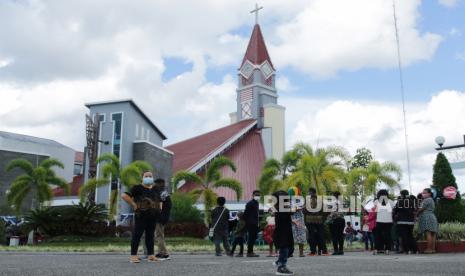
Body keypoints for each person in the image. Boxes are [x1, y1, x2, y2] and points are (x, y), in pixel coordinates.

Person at [121, 171, 162, 263]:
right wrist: (133, 204)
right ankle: (133, 256)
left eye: (150, 176)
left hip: (153, 216)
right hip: (141, 216)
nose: (148, 177)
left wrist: (160, 211)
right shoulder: (137, 188)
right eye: (146, 176)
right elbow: (124, 195)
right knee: (137, 235)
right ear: (142, 178)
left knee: (150, 236)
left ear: (153, 177)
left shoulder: (155, 189)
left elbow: (159, 200)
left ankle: (151, 255)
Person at [273, 190, 294, 275]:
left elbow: (288, 214)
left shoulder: (281, 208)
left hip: (285, 231)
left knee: (289, 249)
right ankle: (281, 267)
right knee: (285, 248)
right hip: (282, 233)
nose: (289, 200)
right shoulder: (281, 208)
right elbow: (289, 213)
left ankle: (279, 261)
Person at [304, 188, 329, 256]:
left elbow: (304, 211)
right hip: (319, 220)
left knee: (312, 236)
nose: (308, 194)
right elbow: (327, 211)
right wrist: (323, 219)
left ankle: (313, 252)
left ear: (311, 193)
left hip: (310, 220)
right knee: (321, 236)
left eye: (309, 192)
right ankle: (324, 251)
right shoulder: (320, 200)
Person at [393, 190, 416, 254]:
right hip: (411, 221)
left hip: (401, 221)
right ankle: (414, 249)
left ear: (402, 195)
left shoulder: (399, 201)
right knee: (410, 235)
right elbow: (414, 210)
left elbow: (395, 211)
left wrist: (394, 217)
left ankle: (407, 250)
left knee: (404, 236)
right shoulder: (412, 201)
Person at [417, 188, 438, 254]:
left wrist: (416, 213)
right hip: (432, 216)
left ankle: (428, 249)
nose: (423, 194)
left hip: (427, 217)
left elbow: (421, 209)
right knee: (433, 234)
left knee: (428, 233)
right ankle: (433, 249)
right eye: (423, 192)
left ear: (429, 193)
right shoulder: (432, 200)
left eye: (425, 193)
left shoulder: (426, 200)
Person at [373, 189, 394, 255]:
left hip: (379, 220)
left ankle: (377, 249)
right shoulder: (391, 201)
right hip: (389, 221)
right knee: (388, 235)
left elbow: (375, 211)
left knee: (378, 235)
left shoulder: (376, 201)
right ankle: (387, 249)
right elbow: (392, 211)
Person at [289, 187, 306, 257]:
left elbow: (302, 207)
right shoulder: (288, 201)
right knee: (291, 237)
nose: (300, 193)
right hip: (292, 220)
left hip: (299, 220)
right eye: (298, 191)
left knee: (301, 236)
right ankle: (291, 252)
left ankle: (301, 253)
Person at [327, 191, 345, 255]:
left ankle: (336, 250)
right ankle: (341, 250)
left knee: (334, 236)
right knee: (340, 235)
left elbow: (328, 211)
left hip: (334, 220)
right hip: (342, 220)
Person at [244, 190, 261, 257]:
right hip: (251, 223)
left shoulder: (256, 203)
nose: (258, 196)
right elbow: (246, 213)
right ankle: (249, 252)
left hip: (255, 223)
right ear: (253, 195)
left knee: (254, 237)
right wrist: (246, 221)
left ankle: (251, 251)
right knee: (251, 237)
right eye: (256, 195)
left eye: (259, 195)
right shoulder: (250, 203)